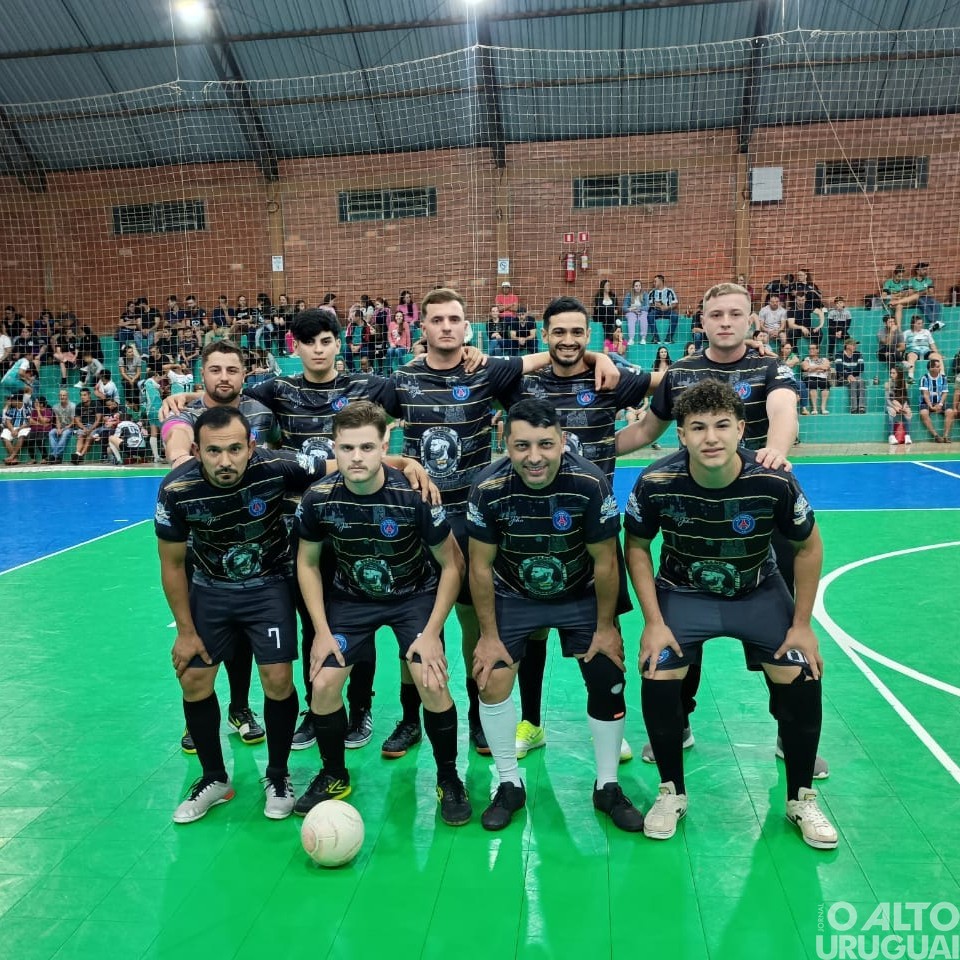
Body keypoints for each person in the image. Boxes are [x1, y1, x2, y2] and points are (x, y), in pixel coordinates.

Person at [374, 288, 620, 760]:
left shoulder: (485, 370)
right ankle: (409, 719)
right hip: (414, 521)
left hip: (471, 521)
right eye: (437, 320)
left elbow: (549, 357)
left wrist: (596, 354)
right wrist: (401, 463)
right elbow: (364, 436)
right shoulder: (400, 381)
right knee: (417, 623)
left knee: (472, 625)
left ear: (467, 328)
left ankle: (476, 719)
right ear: (421, 328)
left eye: (455, 320)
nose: (446, 327)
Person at [616, 282, 827, 779]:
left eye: (735, 313)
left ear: (751, 319)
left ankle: (788, 730)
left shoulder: (769, 367)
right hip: (696, 503)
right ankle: (679, 722)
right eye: (716, 314)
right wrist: (589, 455)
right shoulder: (681, 374)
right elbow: (647, 431)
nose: (726, 321)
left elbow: (783, 411)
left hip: (757, 504)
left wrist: (775, 453)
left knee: (778, 629)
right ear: (703, 321)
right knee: (685, 617)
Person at [624, 380, 836, 849]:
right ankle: (670, 792)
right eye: (697, 428)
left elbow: (808, 546)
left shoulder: (774, 480)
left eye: (722, 425)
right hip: (685, 592)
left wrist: (802, 625)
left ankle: (801, 797)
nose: (711, 437)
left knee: (801, 672)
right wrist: (653, 623)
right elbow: (636, 547)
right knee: (658, 670)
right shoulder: (656, 482)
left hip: (758, 591)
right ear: (680, 435)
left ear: (742, 428)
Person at [467, 398, 644, 833]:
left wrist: (605, 628)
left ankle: (607, 786)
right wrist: (488, 635)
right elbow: (479, 566)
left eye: (545, 444)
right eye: (522, 445)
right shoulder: (487, 488)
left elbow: (606, 562)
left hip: (579, 592)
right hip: (514, 593)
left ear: (563, 442)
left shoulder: (590, 483)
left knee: (608, 677)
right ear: (504, 443)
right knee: (489, 679)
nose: (534, 457)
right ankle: (509, 785)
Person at [294, 401, 471, 824]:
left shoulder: (414, 495)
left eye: (367, 447)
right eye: (347, 448)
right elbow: (307, 563)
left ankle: (448, 777)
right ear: (333, 448)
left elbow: (453, 566)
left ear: (384, 446)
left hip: (413, 595)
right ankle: (334, 774)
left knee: (431, 679)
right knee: (322, 684)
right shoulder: (318, 497)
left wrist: (431, 633)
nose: (357, 457)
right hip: (351, 599)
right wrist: (320, 630)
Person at [156, 406, 329, 823]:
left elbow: (343, 463)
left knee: (278, 679)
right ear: (196, 451)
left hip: (268, 586)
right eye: (214, 452)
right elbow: (173, 565)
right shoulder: (176, 490)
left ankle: (278, 774)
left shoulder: (276, 466)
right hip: (210, 590)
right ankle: (214, 779)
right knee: (194, 679)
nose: (226, 461)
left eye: (236, 449)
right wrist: (184, 631)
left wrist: (404, 464)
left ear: (252, 446)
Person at [504, 297, 653, 762]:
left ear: (589, 335)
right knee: (532, 635)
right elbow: (483, 372)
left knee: (602, 629)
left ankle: (608, 724)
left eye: (578, 333)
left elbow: (664, 398)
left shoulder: (610, 378)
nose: (568, 341)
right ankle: (530, 723)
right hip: (529, 525)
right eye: (558, 332)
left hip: (593, 528)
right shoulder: (523, 383)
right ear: (544, 335)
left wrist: (604, 364)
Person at [160, 341, 282, 752]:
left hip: (257, 542)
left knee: (249, 637)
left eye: (232, 369)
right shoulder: (185, 415)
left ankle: (241, 707)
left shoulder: (263, 411)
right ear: (202, 376)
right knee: (200, 641)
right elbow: (175, 440)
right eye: (215, 370)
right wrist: (182, 461)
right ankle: (197, 721)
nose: (224, 377)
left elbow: (276, 457)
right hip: (203, 549)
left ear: (245, 376)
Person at [918, 357, 955, 443]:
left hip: (940, 402)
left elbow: (945, 393)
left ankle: (945, 436)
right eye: (937, 366)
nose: (940, 368)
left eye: (939, 366)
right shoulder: (924, 378)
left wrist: (941, 404)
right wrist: (930, 406)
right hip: (926, 402)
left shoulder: (943, 378)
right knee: (923, 413)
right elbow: (925, 394)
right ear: (931, 368)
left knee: (950, 412)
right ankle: (936, 436)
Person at [903, 314, 939, 382]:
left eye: (922, 323)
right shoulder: (906, 333)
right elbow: (902, 345)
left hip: (926, 351)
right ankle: (910, 377)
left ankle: (942, 375)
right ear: (913, 324)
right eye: (919, 323)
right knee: (911, 357)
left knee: (937, 357)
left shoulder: (926, 332)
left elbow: (932, 344)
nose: (921, 325)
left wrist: (937, 353)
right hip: (913, 351)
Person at [835, 338, 866, 414]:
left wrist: (848, 372)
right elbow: (839, 368)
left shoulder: (858, 354)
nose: (855, 346)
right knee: (853, 381)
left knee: (861, 381)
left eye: (855, 345)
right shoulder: (839, 354)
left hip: (855, 377)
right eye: (853, 345)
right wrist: (848, 375)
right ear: (847, 346)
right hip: (842, 378)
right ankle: (854, 408)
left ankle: (861, 406)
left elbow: (861, 368)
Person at [885, 364, 912, 445]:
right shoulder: (888, 384)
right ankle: (891, 436)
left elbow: (906, 398)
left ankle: (907, 435)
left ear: (899, 374)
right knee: (892, 412)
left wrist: (904, 406)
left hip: (901, 404)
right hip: (891, 404)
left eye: (894, 373)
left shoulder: (904, 384)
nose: (891, 375)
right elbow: (888, 399)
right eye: (891, 373)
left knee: (907, 412)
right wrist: (895, 407)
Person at [648, 275, 680, 343]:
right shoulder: (652, 292)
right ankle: (656, 338)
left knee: (675, 315)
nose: (654, 283)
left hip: (667, 310)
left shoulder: (670, 291)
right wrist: (656, 305)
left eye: (655, 281)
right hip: (656, 311)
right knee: (650, 315)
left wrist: (667, 307)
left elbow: (675, 303)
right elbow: (649, 304)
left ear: (660, 281)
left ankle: (669, 338)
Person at [48, 388, 76, 463]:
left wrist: (63, 429)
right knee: (51, 432)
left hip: (70, 427)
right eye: (60, 395)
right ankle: (57, 457)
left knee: (65, 433)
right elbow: (57, 420)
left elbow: (74, 421)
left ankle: (55, 455)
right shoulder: (55, 407)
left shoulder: (72, 406)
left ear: (67, 396)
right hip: (61, 426)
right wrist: (59, 428)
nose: (62, 397)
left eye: (64, 395)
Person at [622, 279, 649, 345]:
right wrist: (631, 310)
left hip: (641, 311)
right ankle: (631, 339)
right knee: (631, 317)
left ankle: (643, 338)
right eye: (636, 286)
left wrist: (638, 309)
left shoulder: (645, 294)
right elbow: (624, 307)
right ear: (633, 287)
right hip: (631, 312)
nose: (638, 287)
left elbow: (647, 307)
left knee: (644, 317)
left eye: (639, 285)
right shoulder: (629, 295)